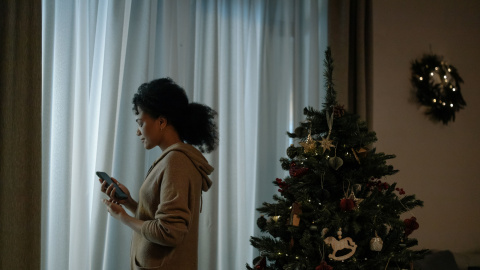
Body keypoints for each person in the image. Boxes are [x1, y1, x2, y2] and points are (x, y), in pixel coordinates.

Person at [99, 77, 218, 270]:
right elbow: (159, 220)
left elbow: (169, 231)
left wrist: (123, 218)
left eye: (140, 123)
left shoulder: (176, 162)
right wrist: (128, 202)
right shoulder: (171, 160)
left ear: (161, 121)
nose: (138, 132)